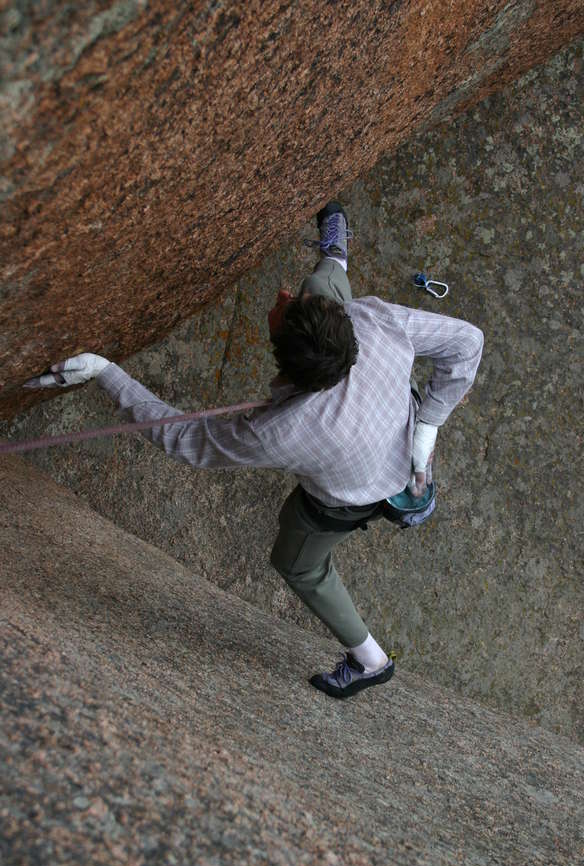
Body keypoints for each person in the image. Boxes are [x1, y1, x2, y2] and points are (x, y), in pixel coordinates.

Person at [24, 202, 484, 699]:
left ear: (282, 359)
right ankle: (336, 247)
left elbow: (183, 439)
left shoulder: (278, 431)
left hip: (354, 495)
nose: (282, 294)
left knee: (298, 563)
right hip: (402, 439)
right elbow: (468, 342)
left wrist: (104, 372)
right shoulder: (373, 321)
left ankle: (371, 660)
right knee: (323, 285)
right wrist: (427, 426)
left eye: (283, 308)